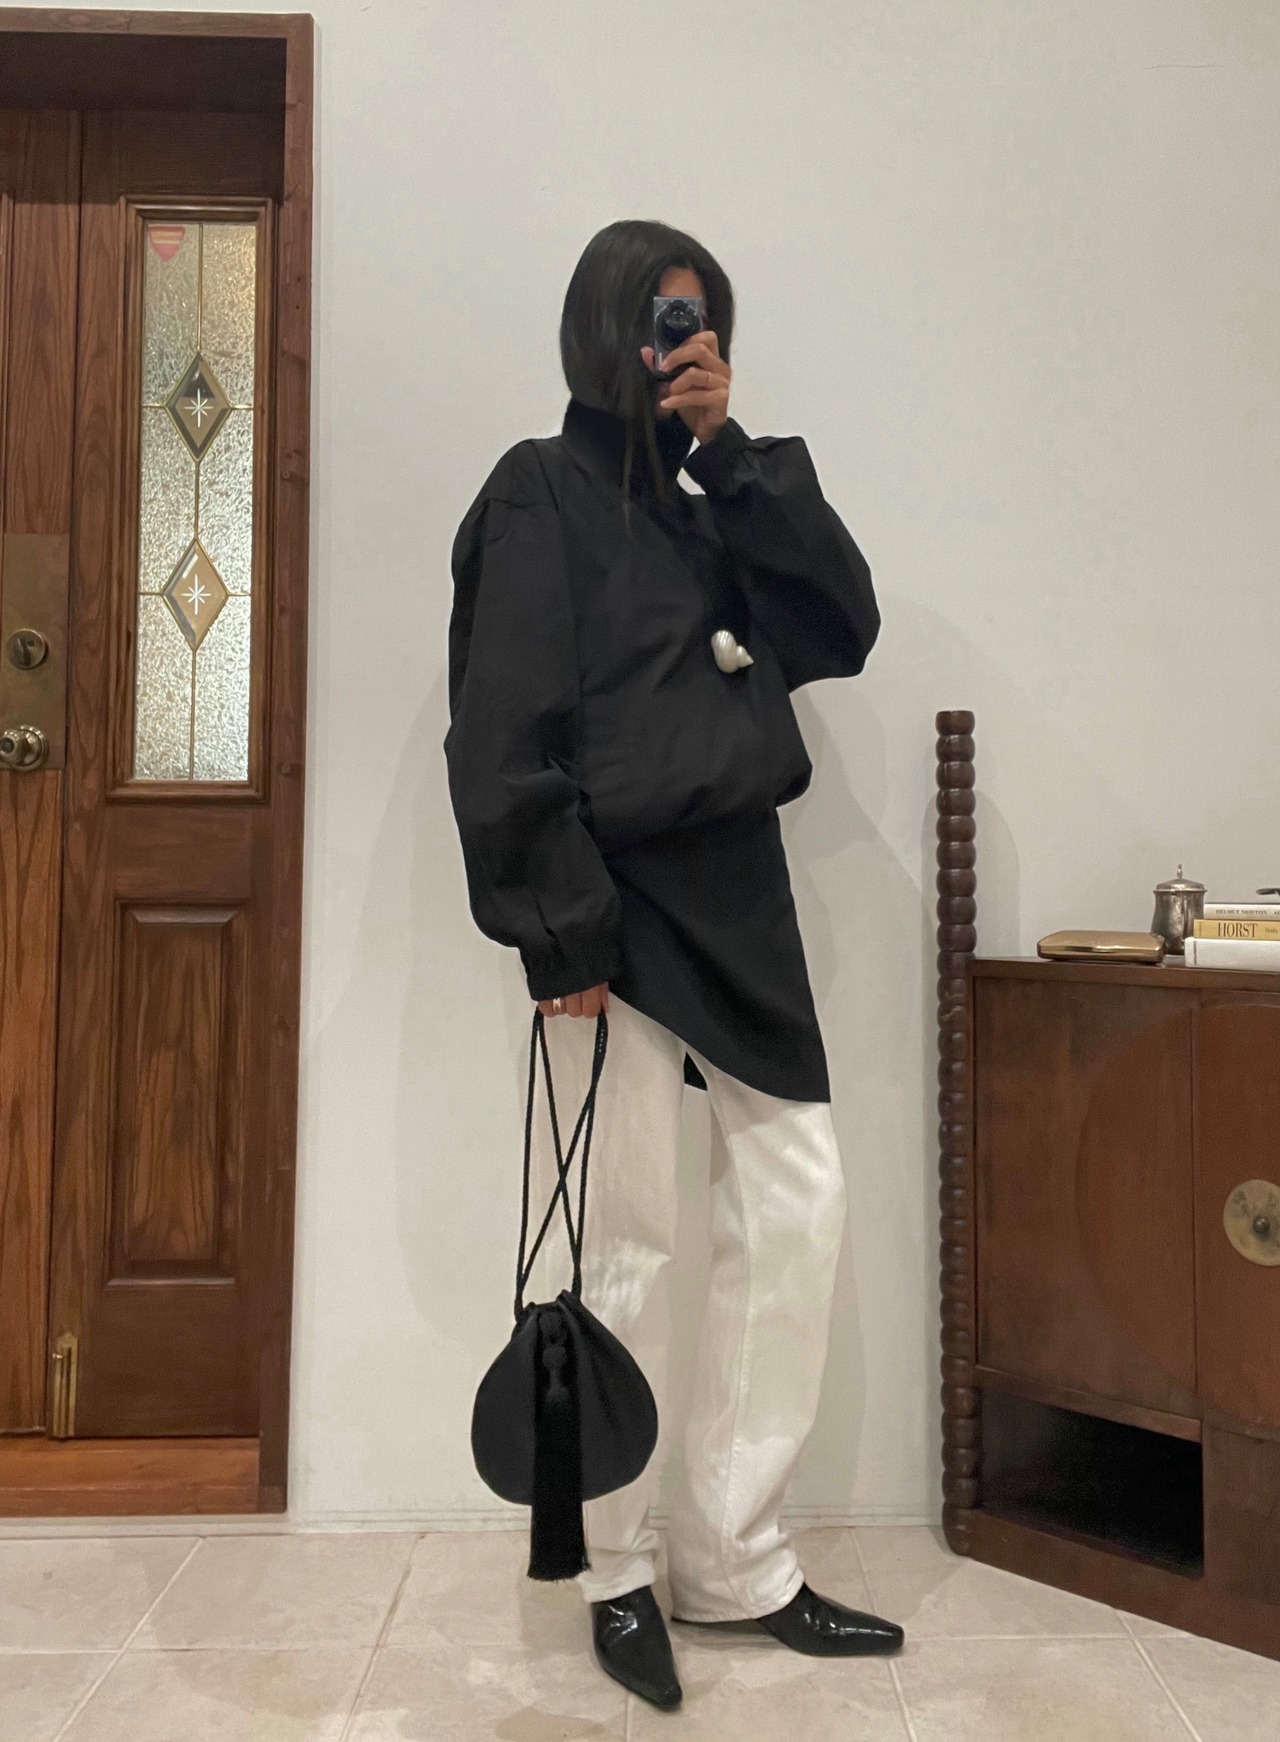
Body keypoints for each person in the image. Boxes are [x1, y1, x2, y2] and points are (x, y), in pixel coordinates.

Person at [444, 218, 902, 1711]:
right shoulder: (539, 488)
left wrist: (734, 454)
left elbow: (841, 625)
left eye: (701, 320)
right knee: (627, 1235)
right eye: (658, 317)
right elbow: (502, 725)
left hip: (739, 892)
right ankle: (616, 1566)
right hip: (616, 906)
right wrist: (557, 926)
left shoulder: (721, 506)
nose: (680, 342)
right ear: (604, 327)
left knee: (795, 1205)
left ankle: (734, 1557)